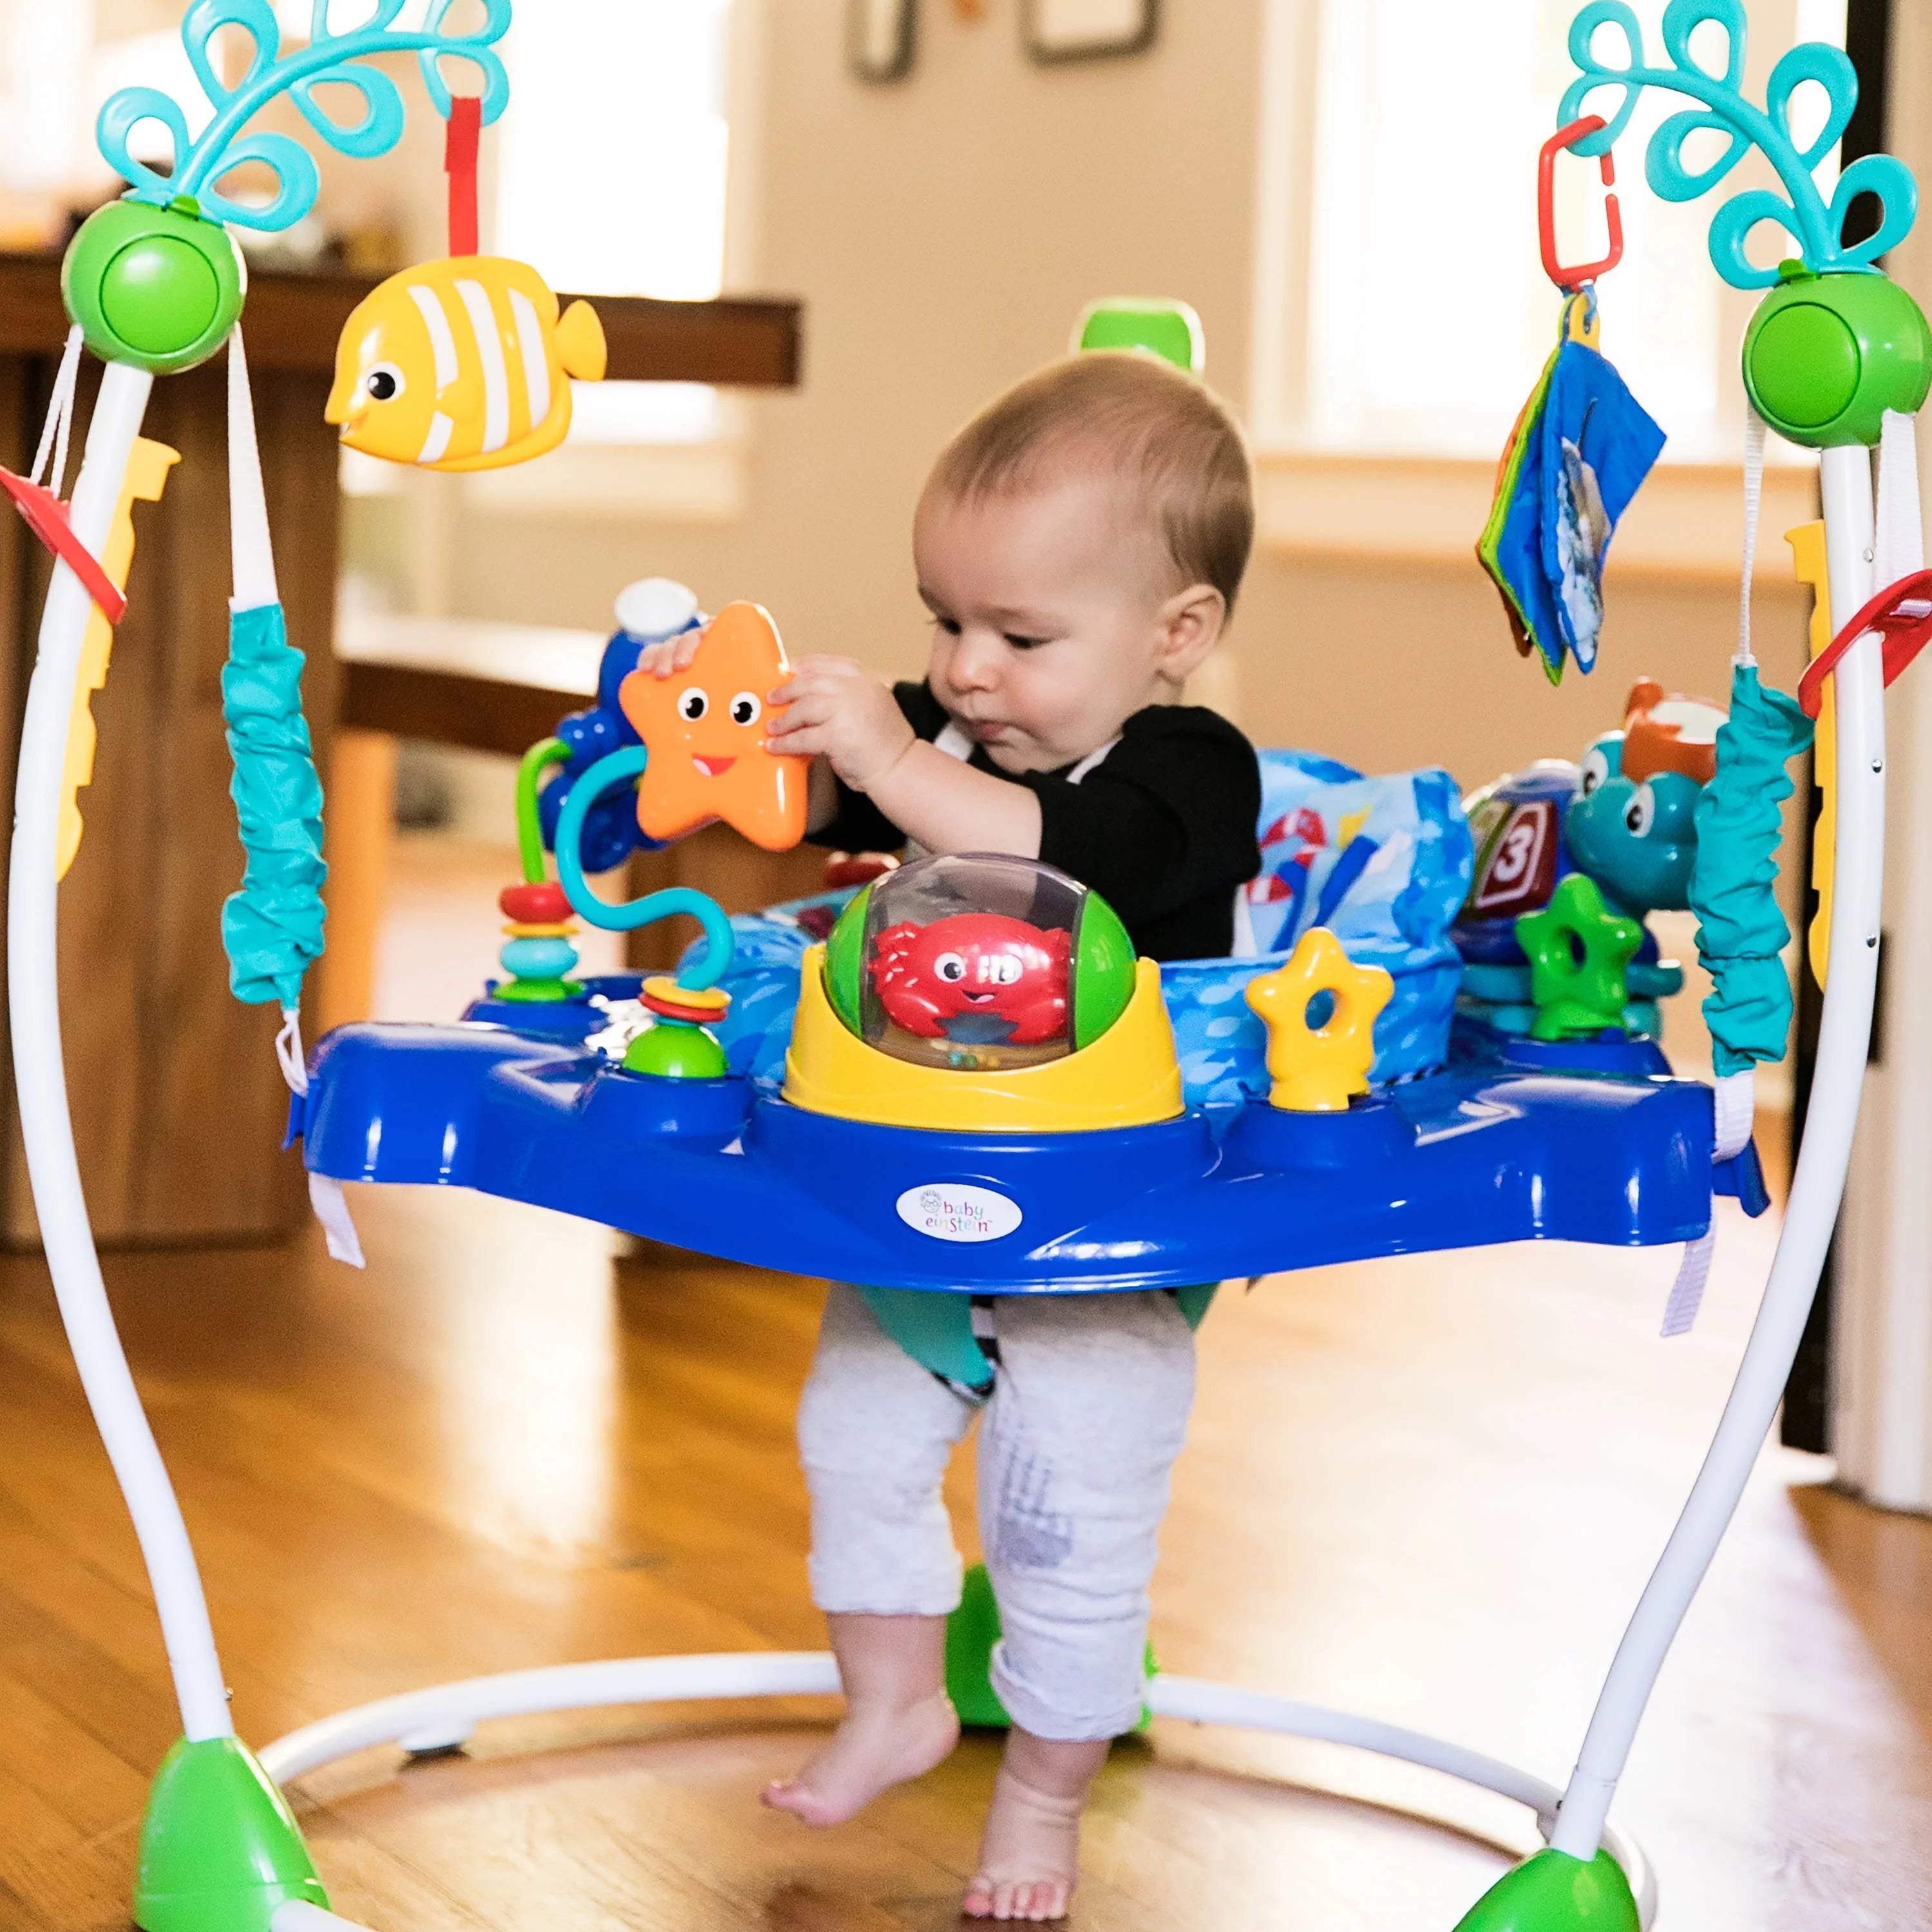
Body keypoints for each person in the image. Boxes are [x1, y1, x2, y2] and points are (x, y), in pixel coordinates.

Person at [634, 349, 1260, 1921]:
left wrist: (897, 765)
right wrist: (731, 729)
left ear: (1176, 634)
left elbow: (1073, 864)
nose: (968, 671)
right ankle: (895, 1704)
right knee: (850, 1445)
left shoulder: (1191, 772)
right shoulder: (955, 733)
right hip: (917, 1203)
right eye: (944, 620)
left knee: (1064, 1519)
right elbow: (813, 802)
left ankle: (1044, 1800)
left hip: (1108, 1234)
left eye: (1020, 637)